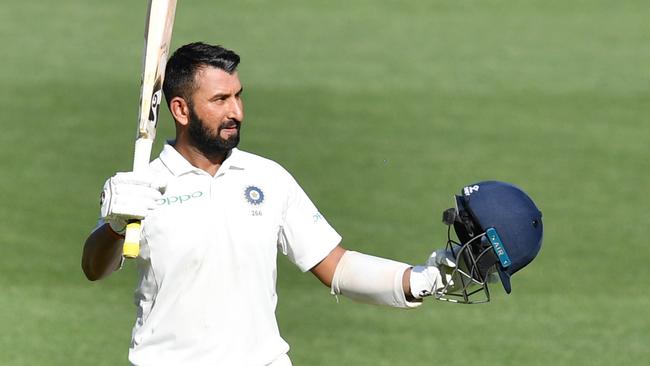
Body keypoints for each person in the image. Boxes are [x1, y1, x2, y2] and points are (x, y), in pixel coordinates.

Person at [82, 42, 456, 366]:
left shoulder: (267, 177)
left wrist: (421, 280)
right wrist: (116, 227)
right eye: (220, 100)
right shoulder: (140, 189)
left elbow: (336, 267)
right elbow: (94, 268)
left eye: (238, 95)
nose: (237, 112)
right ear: (181, 110)